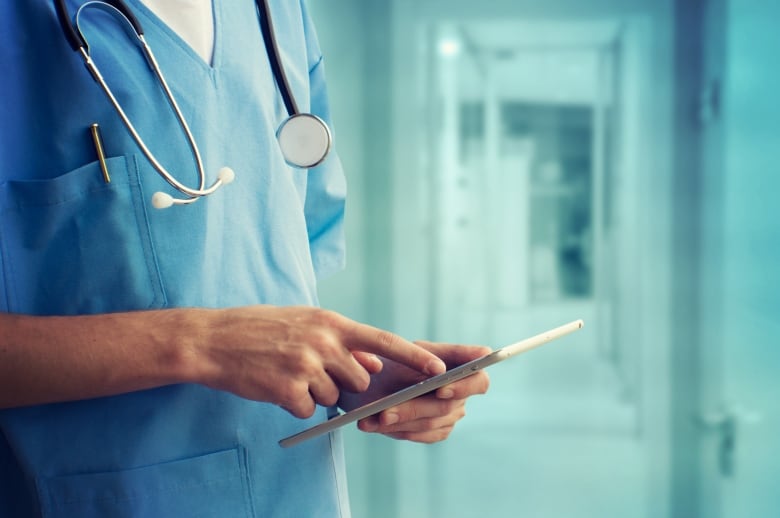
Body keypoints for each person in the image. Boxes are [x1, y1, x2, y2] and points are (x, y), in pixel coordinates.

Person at [0, 1, 490, 516]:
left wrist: (357, 373)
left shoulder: (278, 15)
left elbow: (259, 279)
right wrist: (201, 343)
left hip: (300, 494)